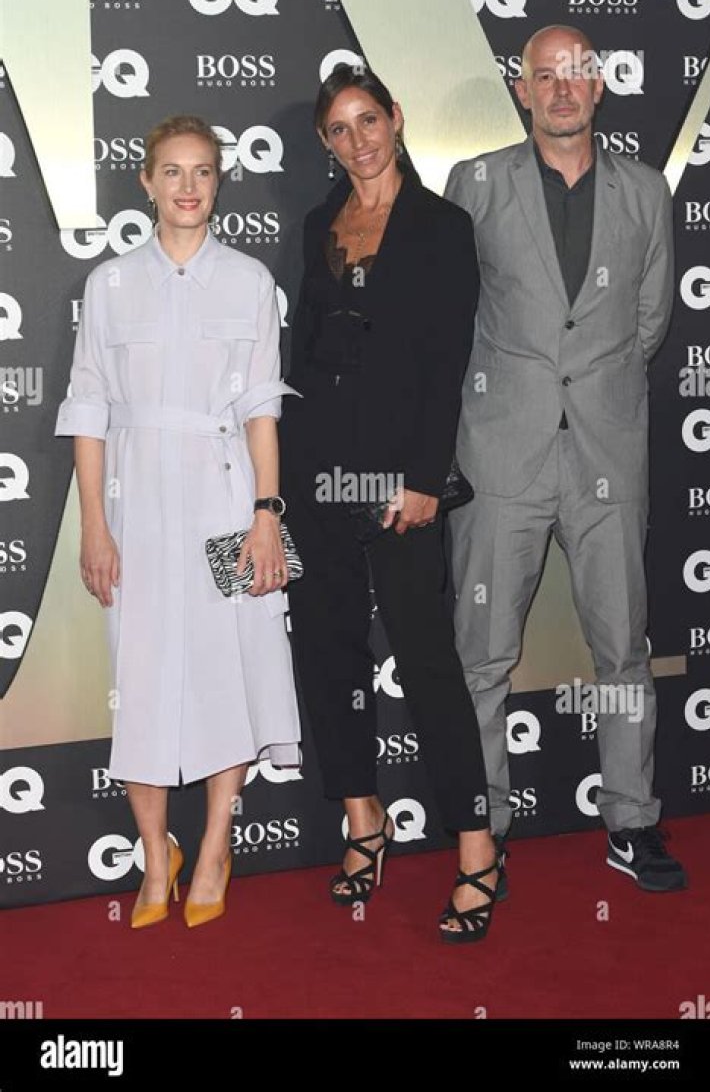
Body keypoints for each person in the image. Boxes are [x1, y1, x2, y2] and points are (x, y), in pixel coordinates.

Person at [445, 25, 687, 893]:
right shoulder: (475, 184)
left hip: (606, 454)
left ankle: (631, 821)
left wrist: (591, 391)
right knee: (481, 657)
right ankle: (484, 835)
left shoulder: (646, 191)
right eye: (543, 76)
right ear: (521, 90)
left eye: (575, 73)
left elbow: (648, 320)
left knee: (622, 650)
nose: (560, 89)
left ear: (599, 85)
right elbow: (454, 310)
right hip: (500, 455)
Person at [55, 114, 301, 929]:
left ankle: (217, 844)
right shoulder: (109, 284)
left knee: (232, 663)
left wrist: (266, 516)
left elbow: (262, 410)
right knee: (143, 674)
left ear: (219, 181)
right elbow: (88, 410)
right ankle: (155, 853)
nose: (188, 187)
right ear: (147, 181)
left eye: (202, 171)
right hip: (137, 506)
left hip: (228, 497)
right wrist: (95, 525)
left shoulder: (250, 280)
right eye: (172, 171)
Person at [280, 64, 499, 943]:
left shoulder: (442, 227)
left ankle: (477, 847)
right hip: (316, 472)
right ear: (325, 141)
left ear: (396, 119)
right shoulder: (317, 224)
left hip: (398, 479)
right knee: (328, 652)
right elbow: (302, 358)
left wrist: (423, 477)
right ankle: (364, 821)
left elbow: (447, 362)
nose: (358, 140)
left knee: (427, 658)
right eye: (339, 128)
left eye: (368, 120)